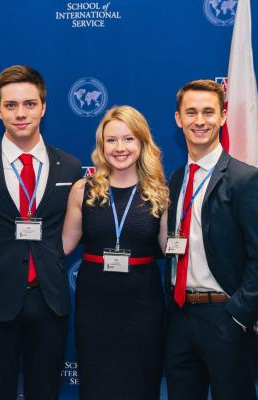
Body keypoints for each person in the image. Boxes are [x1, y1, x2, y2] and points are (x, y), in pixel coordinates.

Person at [0, 65, 82, 400]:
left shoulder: (70, 166)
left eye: (29, 104)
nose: (21, 113)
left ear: (43, 106)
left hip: (49, 300)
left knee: (45, 392)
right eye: (11, 105)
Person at [164, 79, 258, 400]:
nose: (199, 121)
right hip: (179, 318)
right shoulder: (176, 180)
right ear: (178, 119)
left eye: (208, 112)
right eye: (191, 113)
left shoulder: (247, 180)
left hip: (225, 317)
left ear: (223, 116)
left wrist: (238, 315)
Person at [62, 105, 169, 399]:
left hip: (143, 308)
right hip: (94, 307)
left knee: (141, 384)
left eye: (128, 139)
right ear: (101, 146)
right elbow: (63, 246)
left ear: (142, 143)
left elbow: (170, 250)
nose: (119, 148)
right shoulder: (82, 190)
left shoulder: (160, 193)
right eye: (111, 140)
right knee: (97, 385)